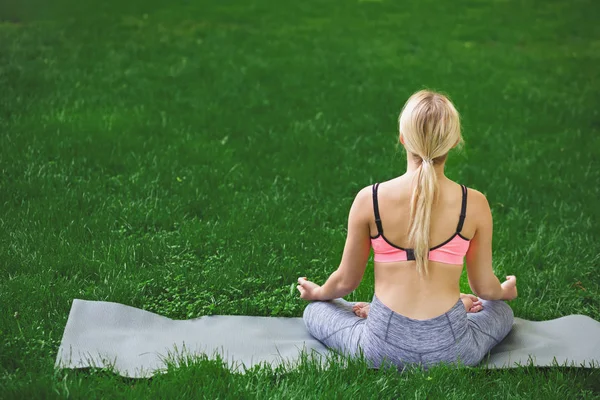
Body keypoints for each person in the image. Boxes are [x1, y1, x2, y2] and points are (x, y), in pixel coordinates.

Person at [297, 89, 517, 369]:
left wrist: (318, 294)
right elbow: (484, 288)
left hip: (380, 347)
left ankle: (380, 310)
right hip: (452, 351)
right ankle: (455, 305)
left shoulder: (370, 199)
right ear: (454, 143)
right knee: (500, 310)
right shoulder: (473, 203)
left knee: (316, 311)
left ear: (403, 139)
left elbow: (345, 282)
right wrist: (504, 291)